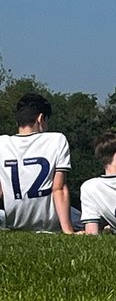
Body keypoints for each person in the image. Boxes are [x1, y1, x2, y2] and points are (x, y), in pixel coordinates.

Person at [0, 93, 75, 233]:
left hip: (15, 221)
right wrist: (68, 231)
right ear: (41, 118)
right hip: (49, 223)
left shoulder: (2, 143)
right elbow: (59, 188)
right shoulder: (56, 140)